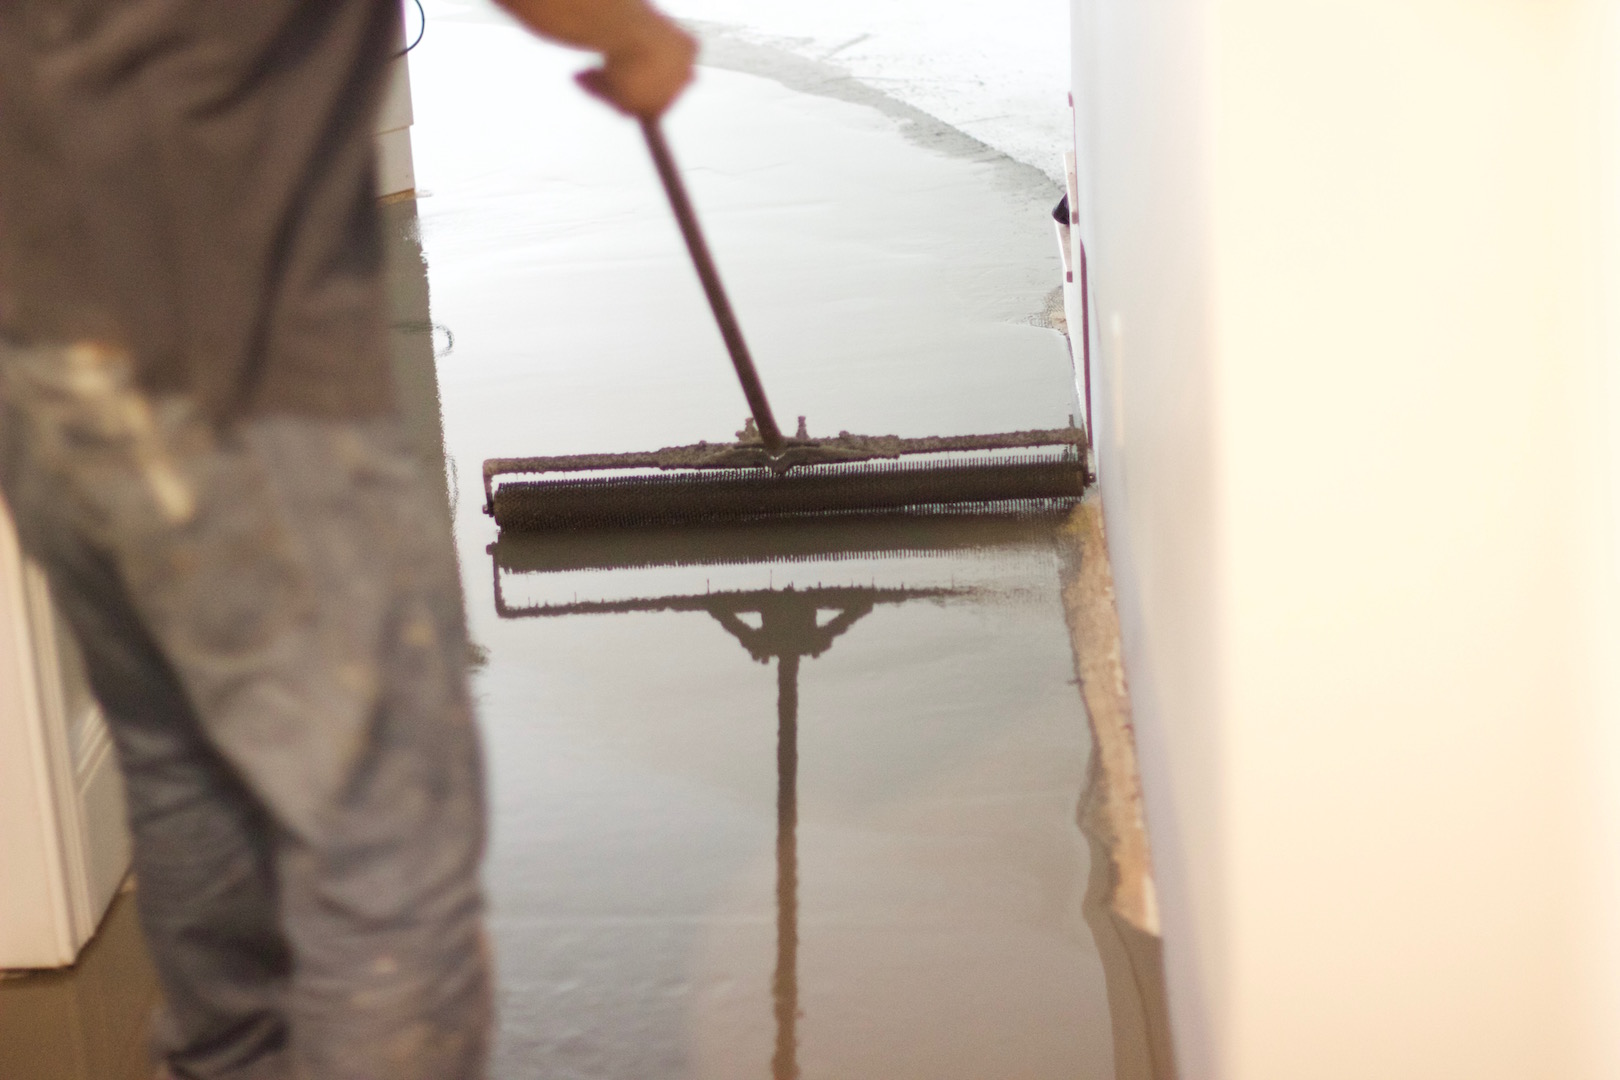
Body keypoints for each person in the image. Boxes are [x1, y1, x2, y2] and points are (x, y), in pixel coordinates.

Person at [0, 0, 695, 1077]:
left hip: (47, 380)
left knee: (191, 775)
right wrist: (636, 37)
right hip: (247, 398)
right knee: (385, 861)